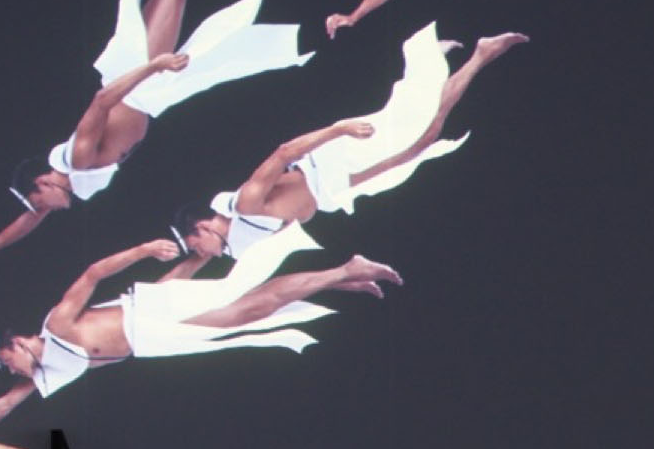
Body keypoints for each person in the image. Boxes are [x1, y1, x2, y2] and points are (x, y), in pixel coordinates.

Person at [0, 0, 312, 259]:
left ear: (43, 183)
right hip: (150, 96)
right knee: (183, 0)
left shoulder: (78, 158)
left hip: (139, 82)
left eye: (38, 203)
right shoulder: (73, 182)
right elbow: (28, 221)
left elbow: (102, 101)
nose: (43, 211)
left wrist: (152, 67)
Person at [0, 222, 401, 436]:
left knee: (244, 310)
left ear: (16, 343)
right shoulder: (48, 372)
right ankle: (340, 281)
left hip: (148, 316)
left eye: (7, 361)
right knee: (251, 310)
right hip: (154, 340)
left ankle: (346, 270)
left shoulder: (56, 325)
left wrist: (142, 249)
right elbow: (2, 407)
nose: (12, 371)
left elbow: (92, 274)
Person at [164, 24, 527, 277]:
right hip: (334, 192)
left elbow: (283, 153)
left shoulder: (246, 202)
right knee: (421, 143)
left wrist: (338, 130)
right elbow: (182, 277)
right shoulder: (236, 247)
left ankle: (454, 56)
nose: (200, 255)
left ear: (203, 226)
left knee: (418, 133)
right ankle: (455, 59)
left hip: (328, 163)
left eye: (196, 246)